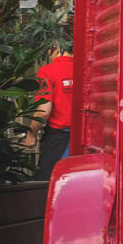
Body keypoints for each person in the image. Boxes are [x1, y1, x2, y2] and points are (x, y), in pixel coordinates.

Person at [23, 40, 73, 181]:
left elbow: (43, 111)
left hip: (59, 139)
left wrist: (31, 134)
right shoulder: (86, 68)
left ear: (54, 49)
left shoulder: (48, 71)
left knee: (47, 182)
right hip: (86, 139)